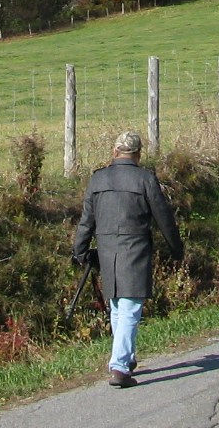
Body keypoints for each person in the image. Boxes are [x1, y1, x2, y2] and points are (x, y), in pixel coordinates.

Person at [72, 130, 184, 388]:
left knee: (117, 308)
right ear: (138, 154)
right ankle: (120, 366)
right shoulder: (145, 179)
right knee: (130, 307)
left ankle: (126, 358)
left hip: (107, 249)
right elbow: (163, 217)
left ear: (114, 152)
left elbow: (86, 220)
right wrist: (176, 247)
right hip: (135, 249)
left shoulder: (98, 179)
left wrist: (79, 251)